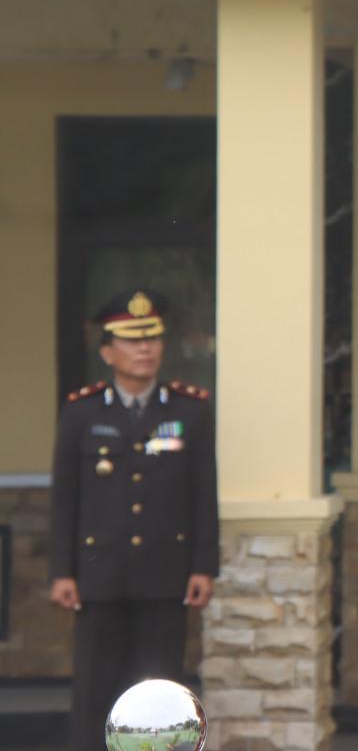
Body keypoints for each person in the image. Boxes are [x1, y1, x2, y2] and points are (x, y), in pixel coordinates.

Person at [49, 289, 218, 751]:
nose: (145, 349)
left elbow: (204, 493)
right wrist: (62, 571)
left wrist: (205, 565)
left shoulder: (190, 411)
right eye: (131, 340)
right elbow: (65, 497)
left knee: (162, 691)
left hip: (166, 574)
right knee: (94, 692)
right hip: (99, 576)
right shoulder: (81, 412)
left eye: (153, 339)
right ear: (107, 351)